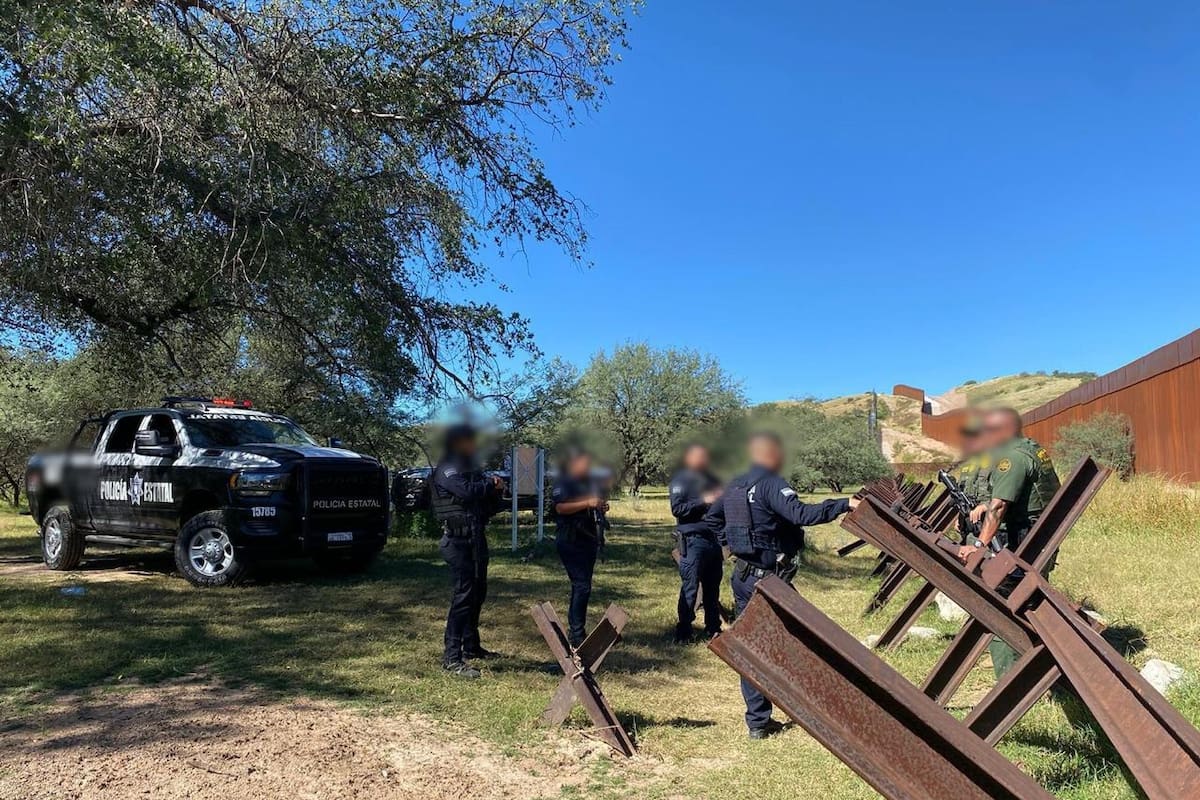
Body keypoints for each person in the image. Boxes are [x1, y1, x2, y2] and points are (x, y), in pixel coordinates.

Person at [705, 432, 858, 739]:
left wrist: (731, 546)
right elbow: (800, 514)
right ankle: (824, 707)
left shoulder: (736, 484)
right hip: (771, 579)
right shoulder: (771, 483)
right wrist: (844, 503)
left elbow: (712, 519)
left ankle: (758, 722)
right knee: (805, 637)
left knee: (752, 648)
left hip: (744, 577)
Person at [956, 407, 1060, 678]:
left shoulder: (1011, 458)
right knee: (1029, 603)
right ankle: (1036, 663)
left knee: (998, 601)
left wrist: (978, 546)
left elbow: (999, 506)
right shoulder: (1031, 450)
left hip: (1025, 540)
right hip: (1040, 537)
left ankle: (1010, 677)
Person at [431, 424, 506, 679]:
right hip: (456, 542)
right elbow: (466, 492)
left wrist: (498, 491)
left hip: (475, 540)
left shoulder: (472, 471)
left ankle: (472, 646)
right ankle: (452, 657)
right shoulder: (447, 468)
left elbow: (488, 505)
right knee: (463, 596)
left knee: (478, 593)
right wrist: (489, 485)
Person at [551, 448, 608, 648]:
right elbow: (560, 508)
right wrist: (587, 503)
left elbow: (590, 505)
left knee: (584, 586)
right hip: (570, 540)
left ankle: (578, 630)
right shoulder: (564, 482)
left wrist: (599, 505)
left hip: (587, 539)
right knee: (581, 585)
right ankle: (576, 634)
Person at [668, 444, 723, 643]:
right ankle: (683, 631)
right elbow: (678, 509)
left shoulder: (712, 480)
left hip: (713, 541)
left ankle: (713, 628)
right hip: (693, 541)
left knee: (712, 586)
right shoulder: (681, 480)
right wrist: (703, 500)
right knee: (690, 587)